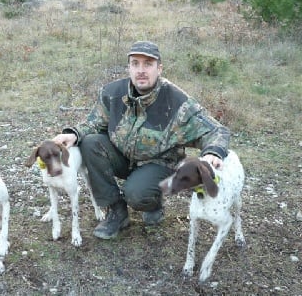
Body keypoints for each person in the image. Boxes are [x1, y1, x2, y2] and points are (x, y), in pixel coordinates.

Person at [53, 41, 230, 239]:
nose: (141, 70)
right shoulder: (113, 93)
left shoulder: (178, 102)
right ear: (129, 68)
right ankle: (117, 212)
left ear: (159, 68)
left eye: (148, 64)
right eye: (135, 64)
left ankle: (153, 203)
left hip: (158, 164)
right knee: (91, 142)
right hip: (123, 156)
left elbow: (216, 130)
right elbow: (94, 123)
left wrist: (213, 152)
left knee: (137, 194)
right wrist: (73, 134)